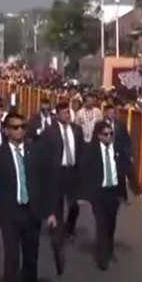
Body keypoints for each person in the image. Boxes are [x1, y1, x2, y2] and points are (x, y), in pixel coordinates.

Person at [0, 111, 58, 282]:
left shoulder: (36, 152)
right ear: (6, 130)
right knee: (11, 260)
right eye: (15, 127)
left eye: (23, 127)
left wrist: (51, 212)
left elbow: (47, 183)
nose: (19, 131)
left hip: (32, 212)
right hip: (10, 214)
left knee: (30, 260)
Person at [80, 121, 140, 270]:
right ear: (99, 136)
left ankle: (109, 247)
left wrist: (136, 188)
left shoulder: (117, 149)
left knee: (111, 224)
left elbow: (128, 168)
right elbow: (83, 172)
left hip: (113, 192)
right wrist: (82, 192)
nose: (109, 137)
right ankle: (102, 258)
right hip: (98, 193)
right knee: (101, 224)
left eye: (111, 134)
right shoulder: (91, 150)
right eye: (106, 134)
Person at [42, 101, 83, 237]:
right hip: (57, 171)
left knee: (74, 205)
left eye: (68, 112)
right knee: (57, 203)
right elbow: (45, 153)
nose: (67, 115)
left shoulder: (77, 130)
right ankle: (57, 230)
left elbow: (81, 151)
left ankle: (69, 228)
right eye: (64, 113)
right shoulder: (50, 131)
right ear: (58, 114)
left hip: (72, 171)